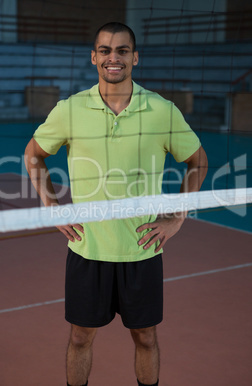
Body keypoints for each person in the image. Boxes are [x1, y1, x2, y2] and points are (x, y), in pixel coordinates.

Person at [25, 22, 208, 386]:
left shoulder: (161, 110)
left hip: (141, 250)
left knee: (145, 337)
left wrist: (176, 217)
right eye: (105, 50)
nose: (114, 57)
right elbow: (34, 155)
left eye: (122, 50)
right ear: (94, 57)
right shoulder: (71, 109)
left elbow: (198, 162)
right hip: (87, 248)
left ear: (135, 58)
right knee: (80, 338)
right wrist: (52, 205)